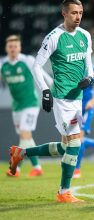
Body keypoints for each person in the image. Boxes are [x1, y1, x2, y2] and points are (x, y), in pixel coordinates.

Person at [9, 0, 94, 203]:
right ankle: (63, 192)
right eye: (74, 13)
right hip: (63, 97)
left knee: (66, 147)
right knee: (75, 142)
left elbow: (88, 61)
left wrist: (89, 77)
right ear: (64, 13)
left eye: (80, 12)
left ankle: (21, 153)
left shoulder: (85, 35)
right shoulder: (54, 37)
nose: (78, 16)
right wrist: (45, 91)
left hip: (77, 97)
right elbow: (37, 66)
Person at [0, 35, 48, 177]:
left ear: (20, 48)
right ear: (6, 48)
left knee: (24, 133)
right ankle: (31, 168)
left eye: (16, 46)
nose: (13, 49)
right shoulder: (3, 65)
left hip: (31, 104)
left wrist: (51, 87)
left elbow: (43, 75)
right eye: (10, 46)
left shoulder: (27, 61)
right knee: (26, 137)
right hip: (17, 107)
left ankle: (21, 168)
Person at [73, 65, 94, 178]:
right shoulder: (71, 65)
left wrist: (92, 101)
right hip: (73, 108)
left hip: (85, 109)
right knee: (71, 140)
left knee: (78, 139)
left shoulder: (91, 68)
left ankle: (76, 169)